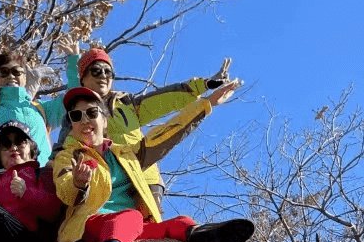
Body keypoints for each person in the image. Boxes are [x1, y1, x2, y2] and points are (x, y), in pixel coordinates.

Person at [52, 85, 253, 242]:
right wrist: (78, 182)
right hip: (89, 224)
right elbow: (64, 189)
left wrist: (206, 103)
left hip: (126, 228)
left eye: (92, 112)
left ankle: (198, 234)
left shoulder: (127, 154)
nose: (84, 120)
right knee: (131, 216)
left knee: (175, 223)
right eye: (76, 116)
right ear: (72, 124)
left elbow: (166, 133)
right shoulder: (70, 156)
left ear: (104, 120)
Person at [57, 46, 233, 207]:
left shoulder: (127, 104)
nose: (103, 76)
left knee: (149, 229)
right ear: (83, 77)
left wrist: (204, 85)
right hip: (101, 178)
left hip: (142, 173)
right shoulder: (75, 116)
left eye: (108, 72)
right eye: (95, 71)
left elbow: (166, 99)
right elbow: (64, 150)